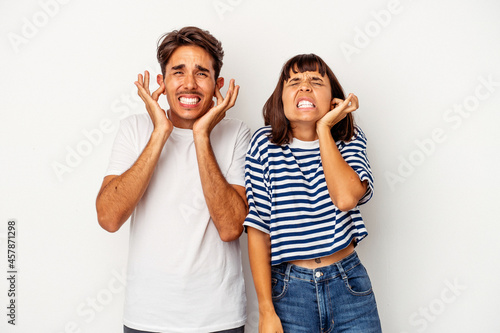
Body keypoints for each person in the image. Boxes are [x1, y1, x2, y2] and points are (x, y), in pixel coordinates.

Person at [96, 26, 249, 333]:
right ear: (162, 82)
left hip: (219, 318)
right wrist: (160, 133)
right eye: (178, 72)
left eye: (202, 73)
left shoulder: (236, 133)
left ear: (218, 84)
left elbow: (231, 227)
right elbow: (109, 218)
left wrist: (201, 134)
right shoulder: (135, 129)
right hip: (147, 317)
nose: (189, 84)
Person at [244, 54, 382, 333]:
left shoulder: (349, 140)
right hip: (289, 291)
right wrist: (266, 311)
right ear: (280, 99)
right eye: (294, 81)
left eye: (316, 81)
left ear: (333, 100)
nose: (305, 87)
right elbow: (259, 228)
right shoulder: (263, 144)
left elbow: (345, 198)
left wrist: (324, 130)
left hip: (349, 284)